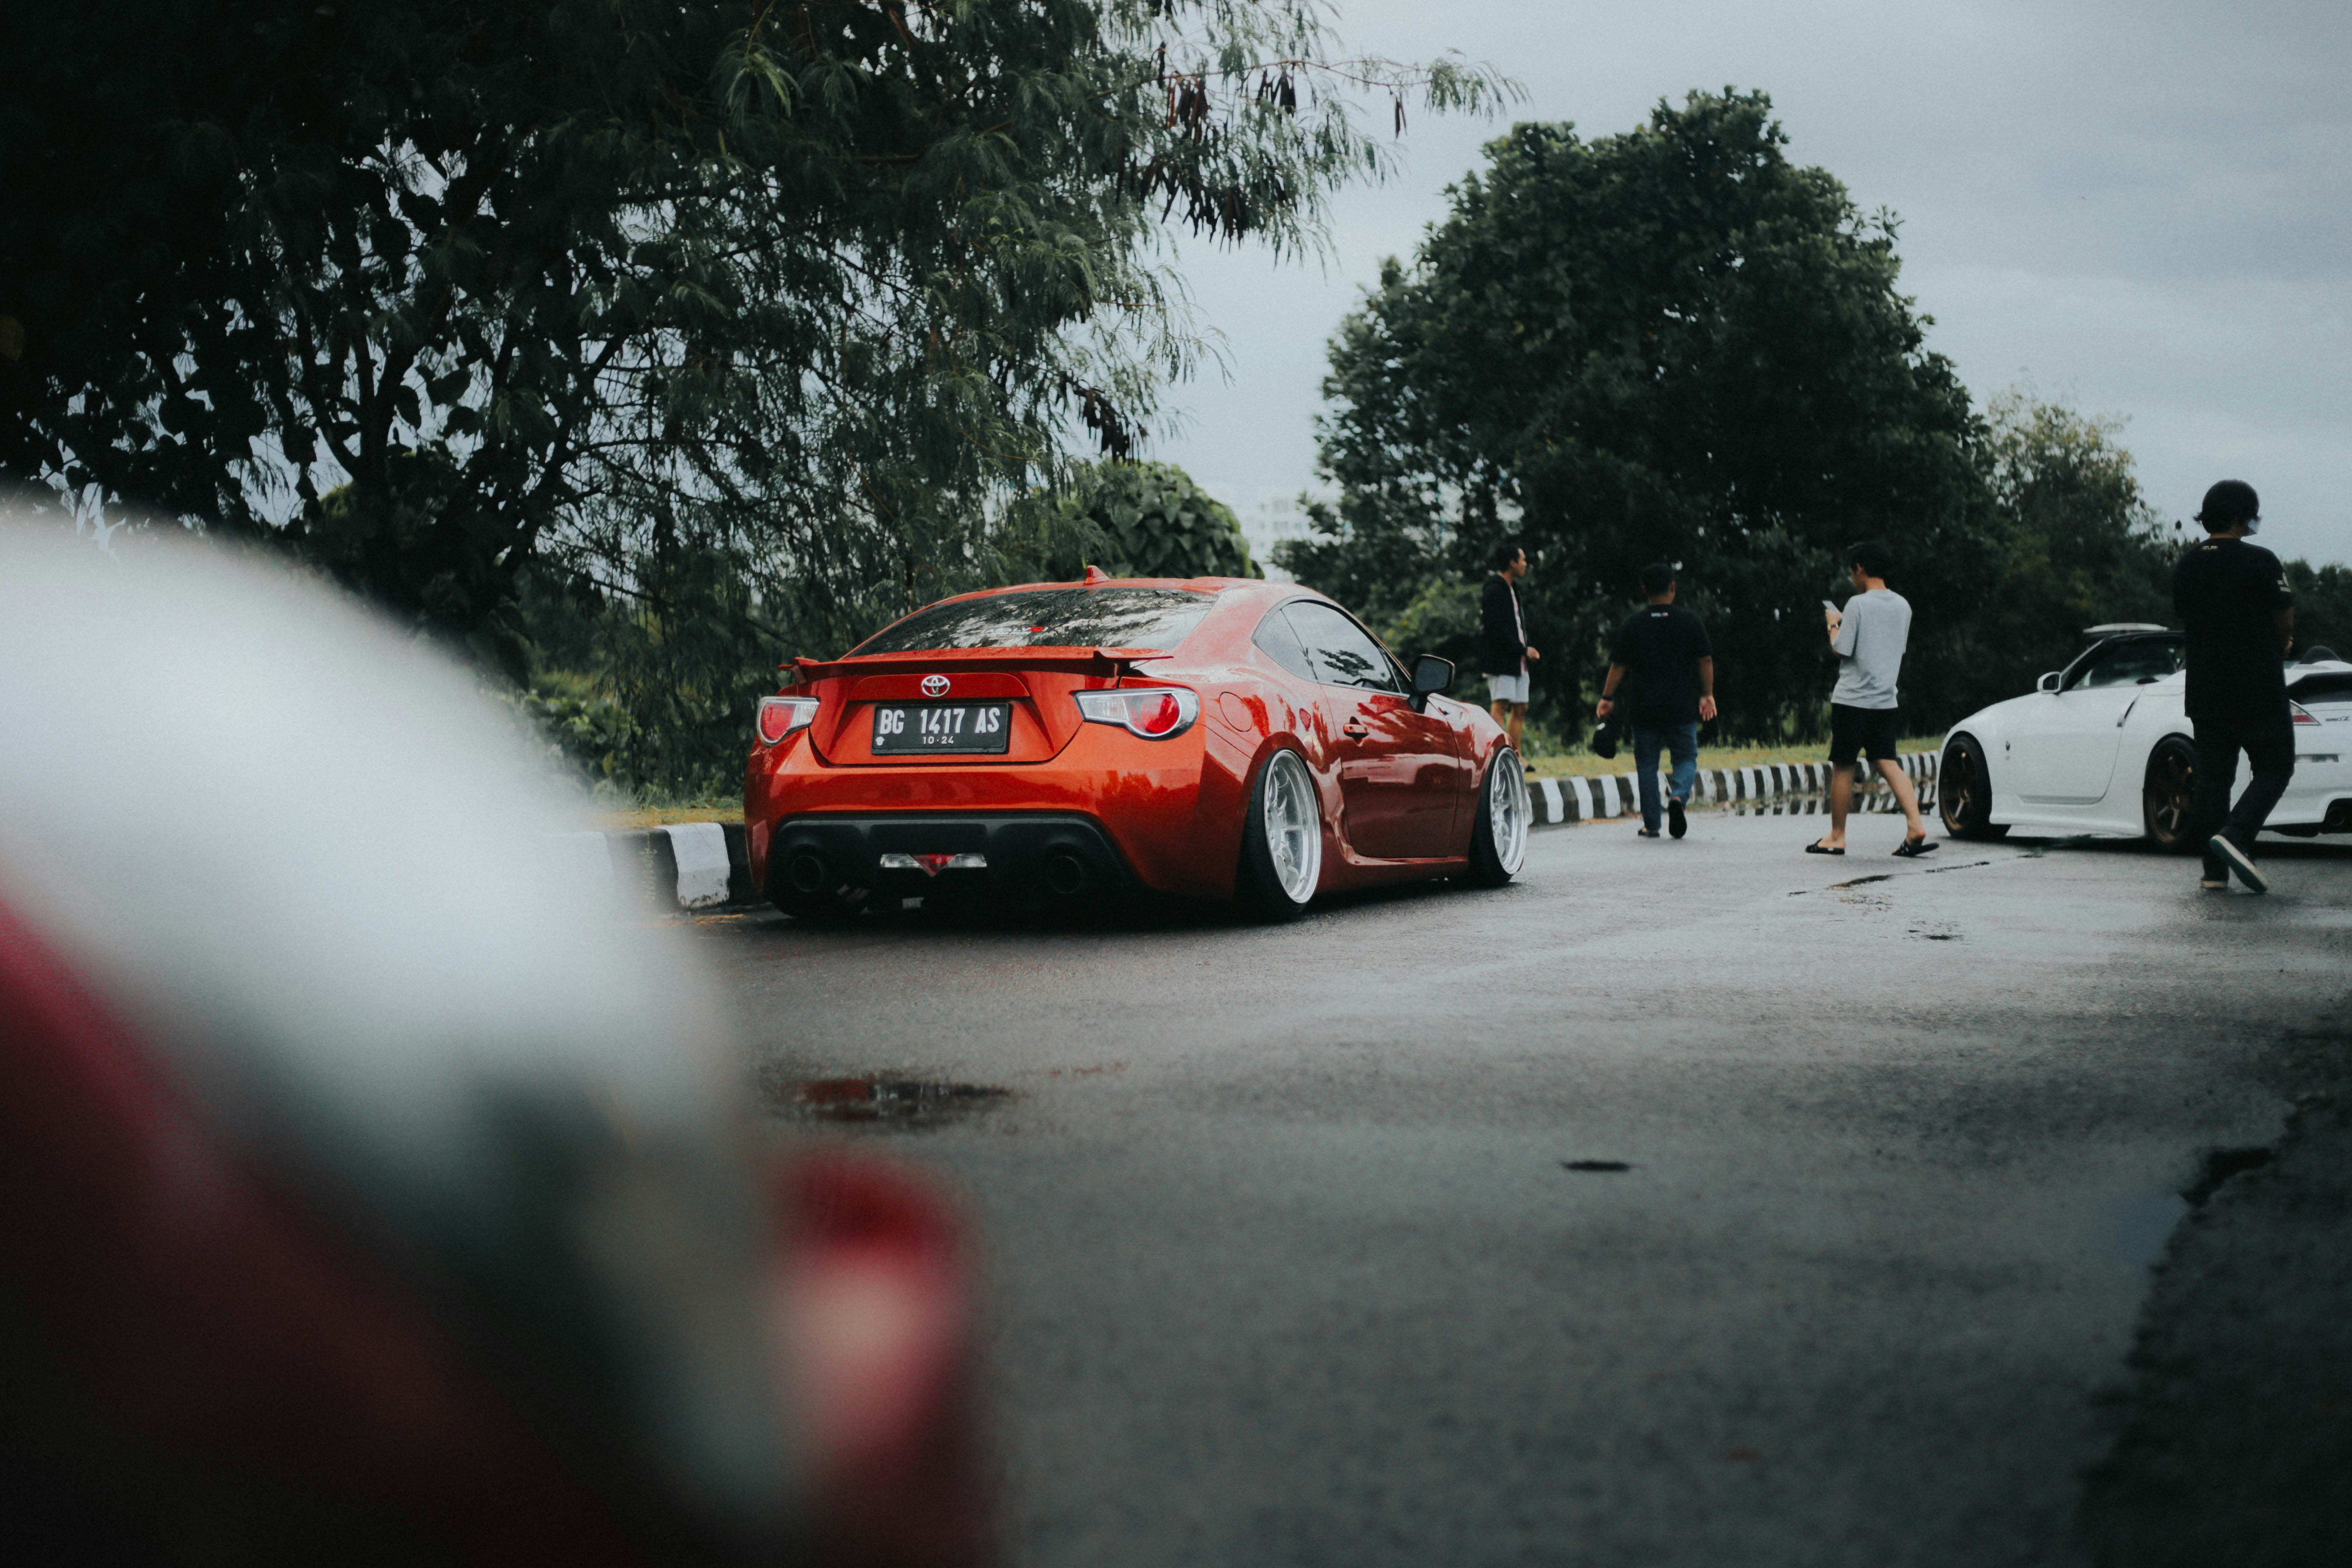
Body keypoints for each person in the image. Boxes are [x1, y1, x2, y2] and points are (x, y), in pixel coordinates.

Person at [2174, 479, 2295, 892]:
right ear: (2243, 516)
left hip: (2206, 689)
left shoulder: (2187, 565)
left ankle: (2213, 873)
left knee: (2214, 779)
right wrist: (2284, 645)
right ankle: (2237, 835)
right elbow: (2284, 617)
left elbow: (2186, 617)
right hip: (2258, 686)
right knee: (2275, 766)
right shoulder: (2262, 561)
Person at [1809, 540, 1935, 858]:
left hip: (1852, 700)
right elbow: (1896, 650)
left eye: (1853, 571)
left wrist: (1833, 624)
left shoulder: (1857, 605)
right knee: (1887, 761)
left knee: (1843, 766)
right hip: (1885, 701)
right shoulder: (1904, 606)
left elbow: (1842, 650)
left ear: (1861, 568)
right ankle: (1915, 824)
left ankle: (1837, 837)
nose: (1852, 577)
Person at [1596, 563, 1715, 839]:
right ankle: (1678, 797)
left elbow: (1618, 666)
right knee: (1686, 757)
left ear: (1645, 591)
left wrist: (1607, 698)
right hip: (1682, 706)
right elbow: (1706, 660)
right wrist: (1707, 695)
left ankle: (1652, 825)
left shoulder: (1633, 624)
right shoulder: (1690, 621)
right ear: (1673, 587)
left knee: (1647, 765)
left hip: (1644, 708)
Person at [1480, 542, 1540, 754]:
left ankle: (1516, 756)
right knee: (1501, 705)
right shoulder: (1494, 589)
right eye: (1522, 560)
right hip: (1501, 659)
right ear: (1513, 563)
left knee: (1521, 707)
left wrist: (1524, 650)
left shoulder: (1513, 589)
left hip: (1517, 660)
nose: (1525, 564)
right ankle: (1497, 755)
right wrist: (1523, 650)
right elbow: (1495, 629)